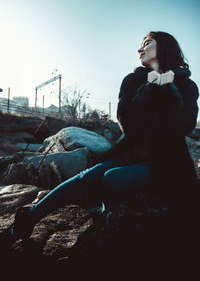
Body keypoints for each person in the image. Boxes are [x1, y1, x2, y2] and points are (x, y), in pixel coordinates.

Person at [4, 31, 199, 241]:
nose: (140, 49)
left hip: (167, 162)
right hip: (133, 154)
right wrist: (149, 89)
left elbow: (184, 125)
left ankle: (104, 214)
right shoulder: (133, 81)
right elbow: (128, 124)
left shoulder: (186, 85)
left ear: (164, 46)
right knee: (88, 175)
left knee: (111, 178)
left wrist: (169, 88)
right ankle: (29, 217)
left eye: (147, 43)